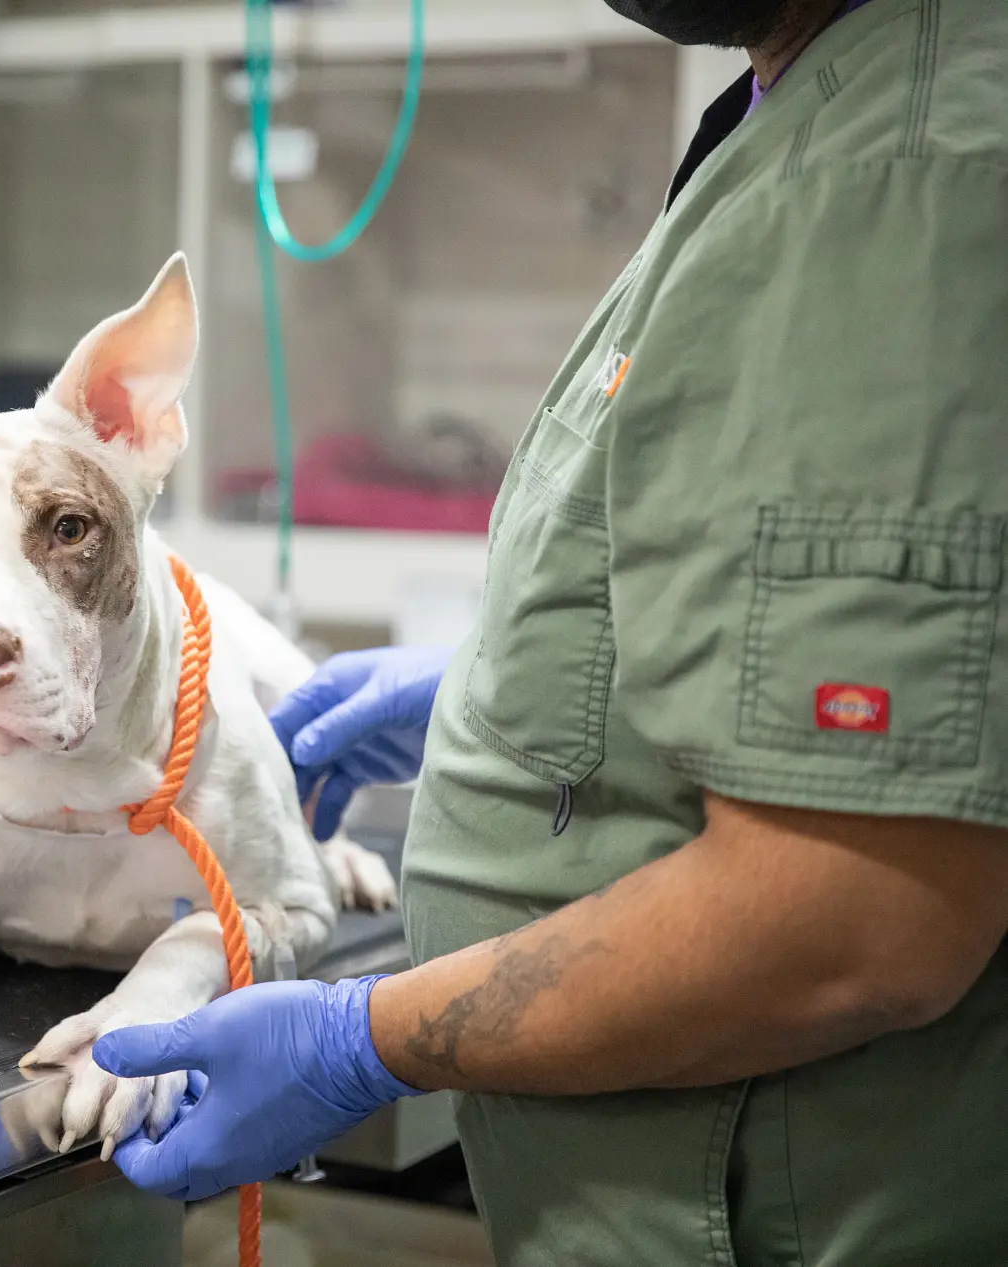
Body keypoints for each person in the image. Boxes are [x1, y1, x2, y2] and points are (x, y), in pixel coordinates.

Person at [92, 1, 1008, 1262]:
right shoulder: (801, 115)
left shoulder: (892, 170)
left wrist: (360, 1040)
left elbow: (853, 922)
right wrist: (507, 702)